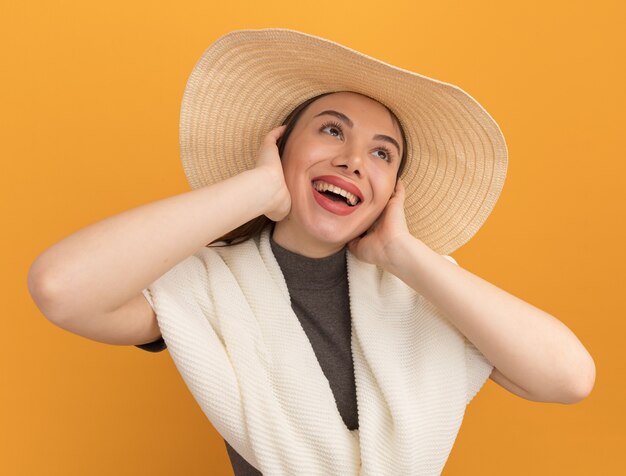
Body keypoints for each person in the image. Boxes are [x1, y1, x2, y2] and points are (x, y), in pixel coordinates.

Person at [27, 29, 595, 475]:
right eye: (330, 131)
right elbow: (60, 287)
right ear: (280, 147)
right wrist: (254, 191)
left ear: (392, 191)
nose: (353, 160)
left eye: (382, 153)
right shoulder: (205, 290)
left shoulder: (423, 293)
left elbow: (569, 379)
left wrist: (404, 253)